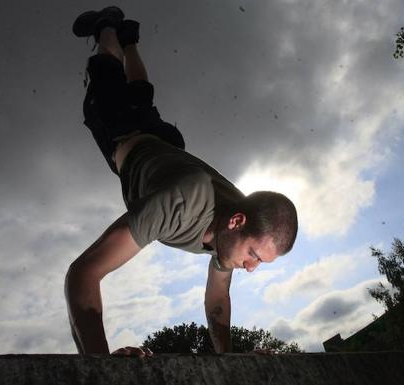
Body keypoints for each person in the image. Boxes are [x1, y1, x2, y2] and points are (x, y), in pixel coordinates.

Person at [65, 6, 298, 357]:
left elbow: (218, 298)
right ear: (236, 222)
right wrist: (101, 367)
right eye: (253, 255)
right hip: (123, 133)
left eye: (258, 261)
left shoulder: (231, 233)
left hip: (166, 145)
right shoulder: (177, 204)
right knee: (108, 73)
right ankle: (109, 30)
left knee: (142, 95)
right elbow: (82, 274)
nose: (250, 268)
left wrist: (230, 362)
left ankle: (131, 41)